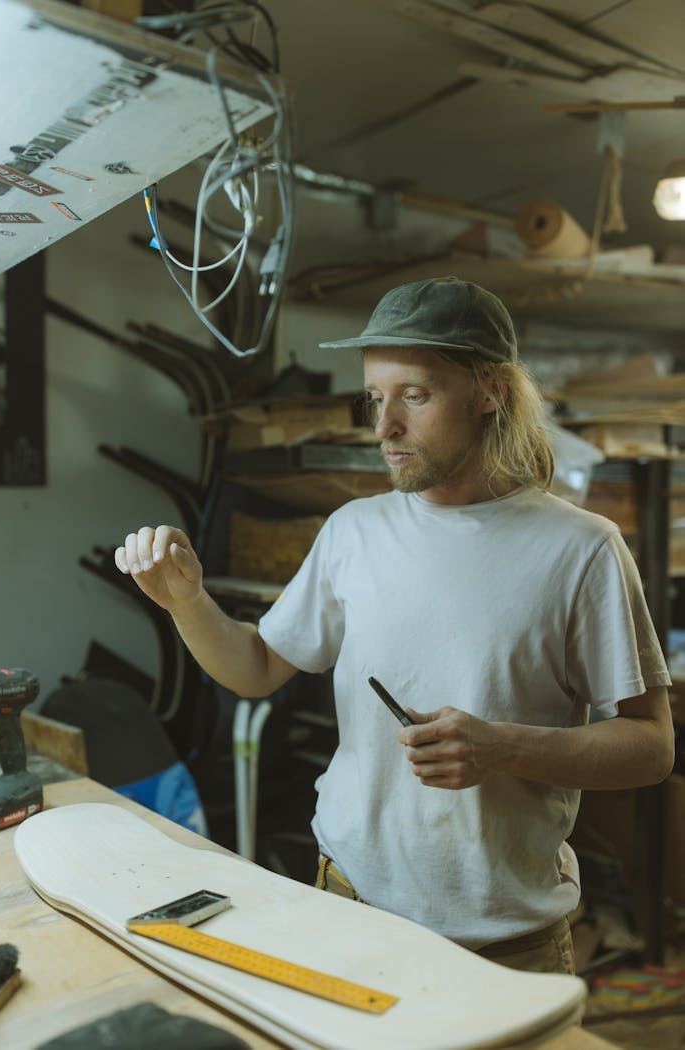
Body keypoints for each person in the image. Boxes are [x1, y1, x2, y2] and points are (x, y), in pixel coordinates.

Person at [115, 276, 674, 975]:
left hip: (505, 944)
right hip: (346, 906)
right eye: (376, 399)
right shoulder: (355, 530)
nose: (384, 429)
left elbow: (651, 747)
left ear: (492, 392)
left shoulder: (582, 548)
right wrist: (185, 603)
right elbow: (254, 669)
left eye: (415, 395)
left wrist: (503, 749)